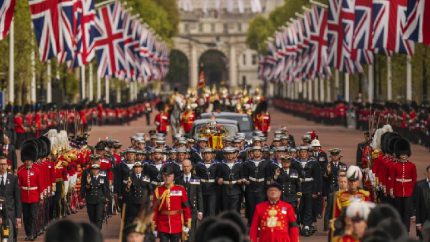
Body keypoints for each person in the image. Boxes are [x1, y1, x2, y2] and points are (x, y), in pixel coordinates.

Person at [153, 166, 191, 242]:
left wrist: (187, 224)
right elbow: (155, 210)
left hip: (177, 224)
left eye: (169, 176)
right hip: (162, 225)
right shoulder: (158, 190)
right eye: (165, 176)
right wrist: (155, 227)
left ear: (173, 176)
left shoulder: (180, 189)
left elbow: (186, 207)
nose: (167, 178)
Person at [17, 141, 43, 241]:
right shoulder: (20, 171)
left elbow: (40, 185)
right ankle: (28, 233)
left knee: (33, 215)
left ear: (32, 160)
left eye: (29, 160)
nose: (27, 162)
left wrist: (41, 197)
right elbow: (19, 186)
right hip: (24, 197)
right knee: (26, 217)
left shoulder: (37, 170)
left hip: (34, 196)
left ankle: (32, 233)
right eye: (26, 160)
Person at [174, 159, 203, 240]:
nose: (186, 168)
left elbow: (199, 195)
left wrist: (200, 211)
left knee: (191, 230)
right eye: (184, 166)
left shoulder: (196, 179)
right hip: (181, 209)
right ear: (182, 167)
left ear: (191, 167)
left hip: (192, 208)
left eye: (187, 166)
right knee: (181, 229)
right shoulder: (177, 180)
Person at [80, 163, 110, 229]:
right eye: (93, 169)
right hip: (90, 199)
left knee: (99, 217)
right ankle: (93, 230)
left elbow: (106, 187)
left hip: (100, 199)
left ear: (99, 170)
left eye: (96, 170)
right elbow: (84, 187)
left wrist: (107, 197)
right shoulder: (88, 177)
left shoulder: (102, 177)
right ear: (91, 170)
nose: (95, 171)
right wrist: (88, 183)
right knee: (92, 218)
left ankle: (97, 232)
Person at [0, 155, 22, 242]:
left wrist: (18, 217)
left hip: (10, 214)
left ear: (7, 165)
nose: (2, 166)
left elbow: (17, 199)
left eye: (4, 164)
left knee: (10, 238)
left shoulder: (13, 179)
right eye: (0, 164)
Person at [123, 162, 152, 226]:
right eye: (136, 167)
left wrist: (150, 200)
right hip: (133, 202)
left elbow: (150, 189)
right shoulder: (129, 177)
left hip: (143, 201)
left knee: (143, 218)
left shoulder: (146, 177)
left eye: (139, 167)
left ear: (142, 169)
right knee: (133, 219)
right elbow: (126, 191)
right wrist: (128, 186)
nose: (137, 169)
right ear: (134, 169)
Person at [414, 165, 430, 239]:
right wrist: (418, 222)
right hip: (424, 221)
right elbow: (416, 205)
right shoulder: (419, 185)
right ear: (426, 173)